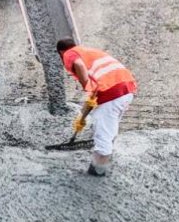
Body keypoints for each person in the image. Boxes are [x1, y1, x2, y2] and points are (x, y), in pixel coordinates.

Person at [56, 38, 136, 177]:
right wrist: (82, 118)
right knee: (109, 127)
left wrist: (86, 85)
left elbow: (79, 65)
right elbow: (94, 97)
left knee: (102, 135)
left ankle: (98, 171)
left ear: (61, 53)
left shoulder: (69, 53)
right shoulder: (89, 52)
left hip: (111, 93)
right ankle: (107, 159)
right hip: (126, 90)